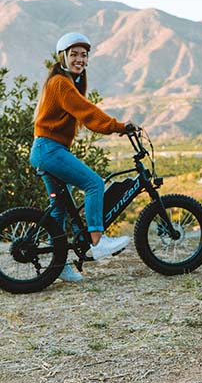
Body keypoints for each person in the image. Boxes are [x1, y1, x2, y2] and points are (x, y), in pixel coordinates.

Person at [30, 31, 133, 282]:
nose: (79, 59)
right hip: (48, 149)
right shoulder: (60, 83)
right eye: (74, 54)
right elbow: (88, 113)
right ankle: (97, 240)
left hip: (48, 150)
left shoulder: (67, 83)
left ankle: (57, 266)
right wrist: (119, 126)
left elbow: (82, 113)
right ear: (63, 57)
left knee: (59, 211)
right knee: (94, 183)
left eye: (83, 55)